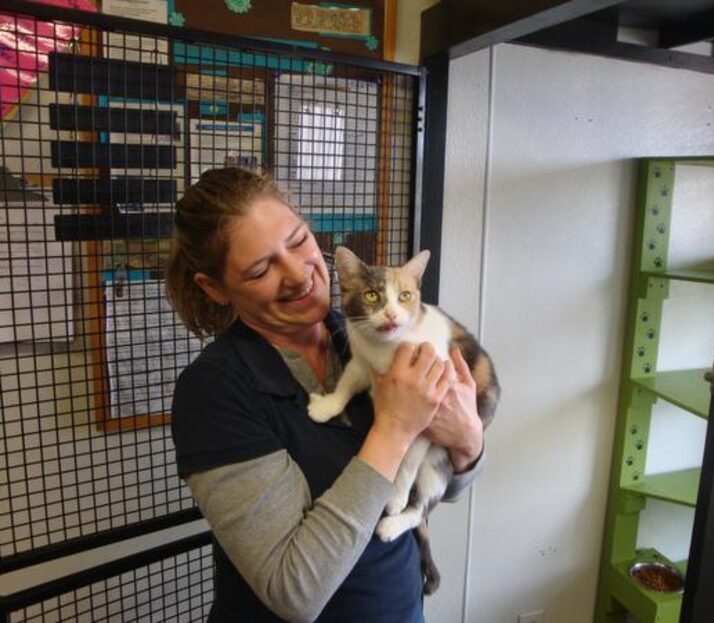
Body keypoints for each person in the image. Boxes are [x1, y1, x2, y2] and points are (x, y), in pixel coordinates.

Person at [165, 167, 486, 623]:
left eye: (298, 241)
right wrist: (395, 428)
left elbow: (443, 486)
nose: (299, 275)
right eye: (261, 268)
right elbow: (293, 590)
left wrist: (468, 442)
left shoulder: (358, 335)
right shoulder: (215, 391)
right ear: (214, 288)